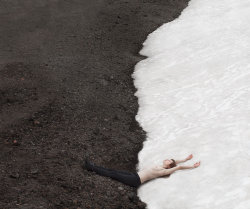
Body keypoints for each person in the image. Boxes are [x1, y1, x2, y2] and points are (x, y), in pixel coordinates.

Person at [84, 154, 200, 188]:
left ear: (169, 166)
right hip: (134, 175)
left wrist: (192, 166)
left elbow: (178, 167)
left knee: (113, 174)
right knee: (113, 170)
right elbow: (176, 162)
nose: (167, 159)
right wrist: (185, 159)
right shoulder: (162, 166)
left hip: (135, 180)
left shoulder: (164, 172)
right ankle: (93, 166)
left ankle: (91, 167)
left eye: (169, 161)